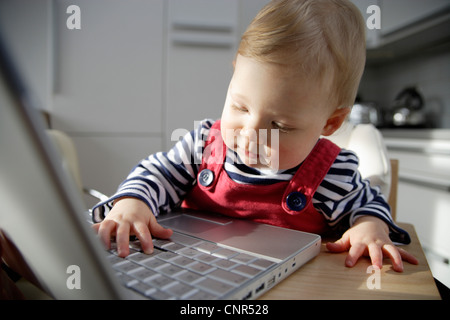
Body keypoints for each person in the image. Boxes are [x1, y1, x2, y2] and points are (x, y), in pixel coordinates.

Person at [92, 0, 418, 272]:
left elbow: (368, 204)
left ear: (330, 123)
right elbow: (156, 173)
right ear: (234, 73)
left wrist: (368, 227)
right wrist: (132, 202)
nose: (251, 133)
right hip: (187, 269)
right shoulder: (204, 144)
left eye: (281, 126)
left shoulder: (332, 174)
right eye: (240, 107)